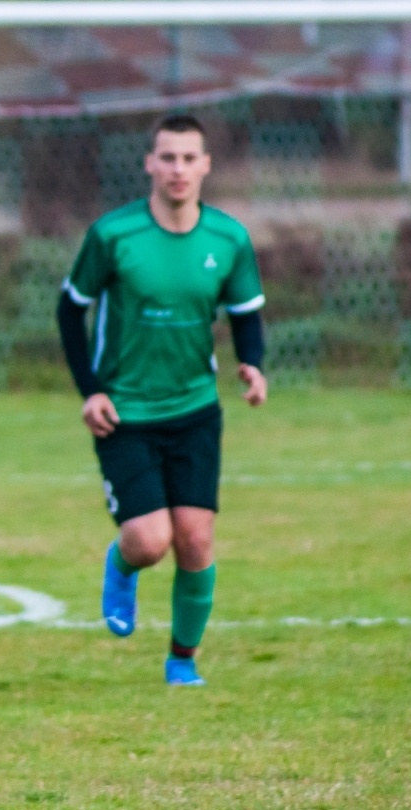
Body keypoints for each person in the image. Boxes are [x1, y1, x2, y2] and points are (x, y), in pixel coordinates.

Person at [57, 114, 268, 686]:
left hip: (195, 409)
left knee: (195, 539)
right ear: (150, 163)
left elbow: (246, 314)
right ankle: (122, 563)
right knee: (151, 542)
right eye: (167, 157)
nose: (178, 169)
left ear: (206, 166)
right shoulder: (112, 235)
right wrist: (91, 390)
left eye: (188, 158)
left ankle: (182, 660)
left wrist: (253, 365)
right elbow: (70, 310)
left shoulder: (228, 238)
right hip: (124, 412)